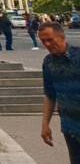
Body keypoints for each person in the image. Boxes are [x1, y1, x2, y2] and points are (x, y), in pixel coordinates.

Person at [38, 20, 80, 162]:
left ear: (62, 37)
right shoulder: (48, 62)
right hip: (70, 127)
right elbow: (50, 95)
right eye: (43, 41)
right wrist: (45, 124)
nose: (47, 44)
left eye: (50, 39)